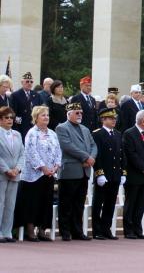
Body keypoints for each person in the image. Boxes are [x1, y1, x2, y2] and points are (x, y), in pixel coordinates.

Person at [14, 105, 61, 241]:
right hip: (34, 175)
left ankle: (42, 229)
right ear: (36, 118)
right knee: (32, 202)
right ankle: (30, 229)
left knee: (45, 202)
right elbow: (30, 152)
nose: (46, 117)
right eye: (43, 115)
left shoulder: (52, 133)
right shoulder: (32, 133)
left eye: (47, 115)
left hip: (50, 174)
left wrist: (56, 166)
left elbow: (58, 151)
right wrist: (43, 167)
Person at [56, 102, 97, 241]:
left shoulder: (85, 129)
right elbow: (67, 146)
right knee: (66, 203)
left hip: (84, 171)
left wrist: (91, 157)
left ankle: (77, 231)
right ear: (69, 114)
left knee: (79, 204)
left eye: (81, 112)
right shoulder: (62, 128)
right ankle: (65, 231)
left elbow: (93, 145)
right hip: (70, 171)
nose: (80, 115)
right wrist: (86, 157)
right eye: (77, 113)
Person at [91, 108, 126, 240]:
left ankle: (106, 229)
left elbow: (121, 154)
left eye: (114, 118)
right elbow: (97, 155)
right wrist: (99, 173)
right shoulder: (97, 134)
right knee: (98, 204)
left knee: (110, 204)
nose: (114, 121)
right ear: (103, 120)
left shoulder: (117, 134)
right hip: (103, 174)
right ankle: (97, 230)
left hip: (115, 174)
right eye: (111, 118)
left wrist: (123, 172)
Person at [122, 110, 144, 239]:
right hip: (134, 174)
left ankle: (137, 228)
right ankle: (129, 229)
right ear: (142, 120)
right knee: (131, 203)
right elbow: (131, 154)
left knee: (141, 203)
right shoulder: (129, 133)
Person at [0, 106, 24, 243]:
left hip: (15, 174)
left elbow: (22, 154)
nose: (10, 120)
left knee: (10, 204)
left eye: (11, 118)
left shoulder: (17, 134)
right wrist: (6, 169)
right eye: (6, 118)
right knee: (0, 203)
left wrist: (17, 169)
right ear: (0, 119)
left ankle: (7, 232)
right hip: (2, 173)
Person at [11, 72, 43, 141]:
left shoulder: (36, 95)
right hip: (21, 127)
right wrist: (16, 127)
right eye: (27, 81)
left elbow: (40, 110)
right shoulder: (15, 95)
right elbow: (13, 112)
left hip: (34, 126)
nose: (29, 83)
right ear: (22, 82)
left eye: (31, 82)